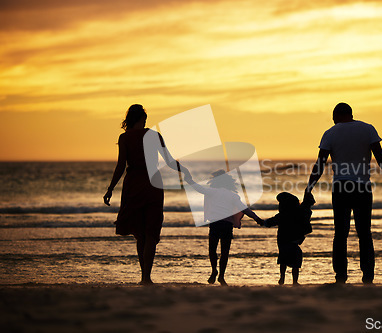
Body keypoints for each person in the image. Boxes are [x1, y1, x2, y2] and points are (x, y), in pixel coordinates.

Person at [305, 102, 382, 284]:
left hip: (341, 187)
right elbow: (381, 157)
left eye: (333, 117)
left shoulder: (330, 133)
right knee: (364, 232)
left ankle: (341, 276)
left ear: (337, 115)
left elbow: (320, 163)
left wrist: (309, 188)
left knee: (340, 233)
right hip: (362, 187)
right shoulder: (368, 129)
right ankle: (368, 276)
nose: (333, 121)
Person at [103, 104, 185, 285]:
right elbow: (170, 161)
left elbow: (121, 166)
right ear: (143, 119)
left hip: (133, 184)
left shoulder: (124, 138)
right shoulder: (154, 135)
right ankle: (147, 276)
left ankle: (144, 277)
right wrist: (185, 170)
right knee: (151, 232)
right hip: (153, 184)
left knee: (140, 233)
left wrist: (110, 189)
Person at [183, 169, 263, 286]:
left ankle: (214, 269)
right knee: (225, 251)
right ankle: (221, 276)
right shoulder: (233, 195)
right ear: (229, 183)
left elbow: (198, 188)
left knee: (212, 249)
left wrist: (189, 180)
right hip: (227, 225)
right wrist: (257, 219)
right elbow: (245, 209)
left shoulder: (212, 192)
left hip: (215, 224)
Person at [261, 192, 315, 286]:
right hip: (294, 241)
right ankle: (294, 281)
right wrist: (308, 194)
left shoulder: (282, 215)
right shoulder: (299, 212)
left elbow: (270, 222)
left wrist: (262, 222)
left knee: (283, 260)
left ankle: (282, 277)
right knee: (296, 262)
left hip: (283, 241)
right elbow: (307, 205)